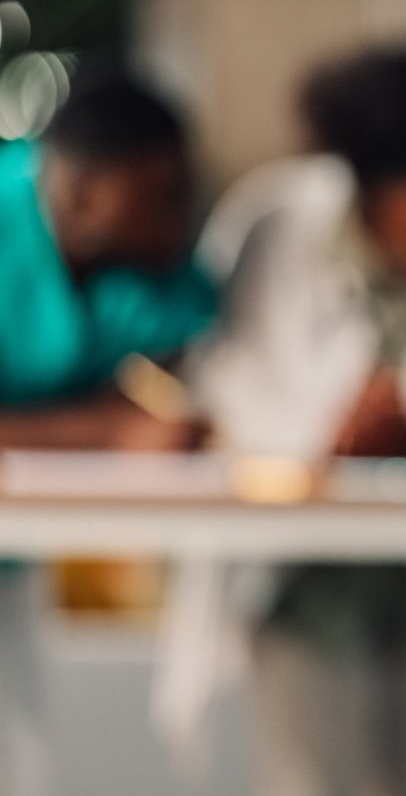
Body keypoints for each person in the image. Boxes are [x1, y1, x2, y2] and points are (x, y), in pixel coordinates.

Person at [167, 45, 406, 796]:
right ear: (365, 198)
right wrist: (329, 438)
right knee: (314, 780)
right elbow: (228, 379)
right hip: (303, 580)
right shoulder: (276, 220)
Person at [0, 71, 216, 796]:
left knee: (20, 758)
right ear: (79, 192)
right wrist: (105, 427)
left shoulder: (146, 266)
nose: (176, 217)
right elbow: (129, 423)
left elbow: (184, 383)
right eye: (154, 196)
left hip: (14, 553)